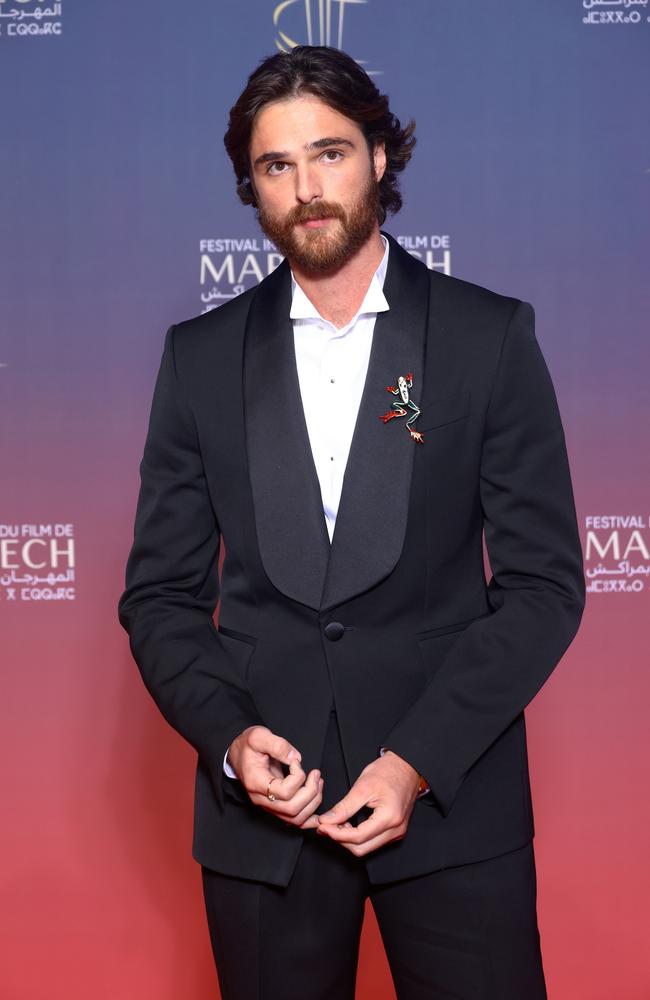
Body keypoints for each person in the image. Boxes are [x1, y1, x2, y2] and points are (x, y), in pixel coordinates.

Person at [118, 45, 585, 1000]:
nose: (308, 188)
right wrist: (231, 739)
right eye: (276, 166)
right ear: (251, 187)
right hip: (267, 820)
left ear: (379, 155)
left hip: (455, 806)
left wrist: (416, 761)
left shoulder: (487, 338)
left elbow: (543, 589)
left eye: (330, 153)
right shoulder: (199, 360)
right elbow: (160, 598)